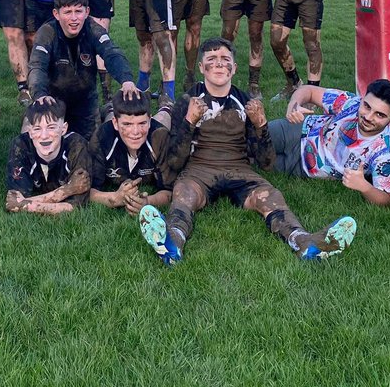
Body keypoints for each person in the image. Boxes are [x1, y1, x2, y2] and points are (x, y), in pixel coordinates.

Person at [138, 38, 357, 266]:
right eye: (211, 60)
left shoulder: (246, 102)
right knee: (184, 193)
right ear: (201, 67)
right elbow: (175, 159)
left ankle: (303, 241)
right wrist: (189, 121)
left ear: (234, 67)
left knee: (270, 196)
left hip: (240, 171)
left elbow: (266, 163)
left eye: (225, 59)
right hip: (199, 170)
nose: (219, 64)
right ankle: (172, 240)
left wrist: (261, 125)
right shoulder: (187, 101)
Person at [267, 79, 390, 206]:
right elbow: (308, 90)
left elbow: (387, 198)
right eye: (367, 106)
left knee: (254, 161)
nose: (368, 117)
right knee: (250, 135)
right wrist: (294, 105)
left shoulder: (384, 152)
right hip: (297, 130)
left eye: (379, 115)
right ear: (362, 99)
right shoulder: (351, 103)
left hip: (303, 167)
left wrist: (364, 186)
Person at [28, 0, 138, 140]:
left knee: (93, 150)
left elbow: (112, 53)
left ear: (87, 12)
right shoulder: (47, 33)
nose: (74, 18)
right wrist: (40, 95)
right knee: (40, 142)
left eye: (78, 11)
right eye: (67, 12)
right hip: (53, 102)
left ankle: (106, 111)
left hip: (85, 104)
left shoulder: (93, 29)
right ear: (56, 14)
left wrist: (127, 80)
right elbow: (37, 66)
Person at [89, 88, 175, 214]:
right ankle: (109, 108)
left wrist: (147, 201)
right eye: (127, 124)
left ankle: (167, 106)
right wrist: (115, 198)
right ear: (116, 123)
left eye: (142, 123)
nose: (135, 132)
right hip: (111, 127)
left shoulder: (160, 137)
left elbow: (170, 190)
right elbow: (88, 189)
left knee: (164, 117)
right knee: (110, 116)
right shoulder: (101, 138)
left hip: (158, 125)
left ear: (149, 121)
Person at [5, 98, 92, 216]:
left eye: (51, 127)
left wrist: (26, 205)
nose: (44, 136)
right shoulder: (20, 146)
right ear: (30, 132)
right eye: (37, 129)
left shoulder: (77, 146)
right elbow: (14, 201)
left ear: (63, 129)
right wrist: (67, 190)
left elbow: (76, 205)